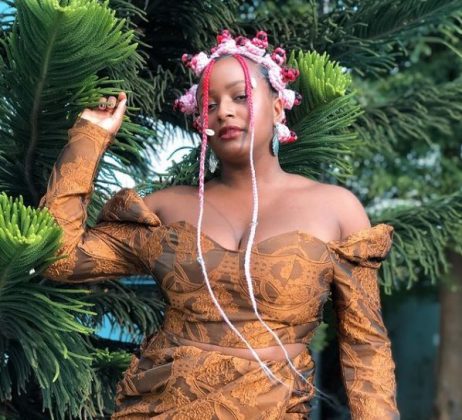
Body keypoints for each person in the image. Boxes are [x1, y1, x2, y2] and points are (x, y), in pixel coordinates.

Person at [39, 30, 399, 419]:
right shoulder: (166, 209)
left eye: (240, 97)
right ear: (200, 121)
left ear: (278, 108)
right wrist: (89, 136)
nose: (224, 111)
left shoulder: (336, 210)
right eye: (209, 104)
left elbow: (365, 346)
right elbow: (61, 259)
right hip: (161, 406)